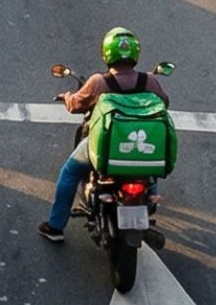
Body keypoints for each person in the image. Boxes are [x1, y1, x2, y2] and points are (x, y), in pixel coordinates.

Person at [40, 27, 162, 242]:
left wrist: (67, 97)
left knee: (69, 172)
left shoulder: (99, 82)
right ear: (135, 53)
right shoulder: (149, 81)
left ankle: (55, 227)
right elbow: (164, 104)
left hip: (105, 147)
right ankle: (150, 196)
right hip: (142, 147)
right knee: (147, 169)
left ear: (107, 54)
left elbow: (76, 105)